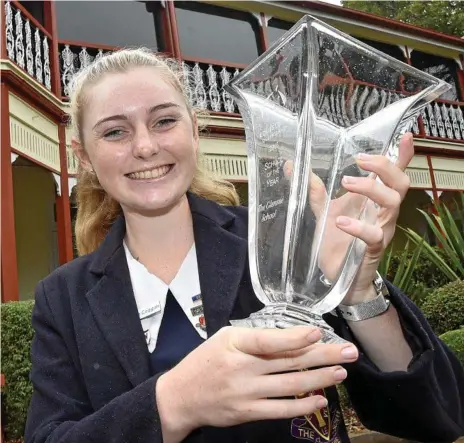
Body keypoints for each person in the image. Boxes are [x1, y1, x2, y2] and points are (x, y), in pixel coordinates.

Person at [25, 48, 464, 443]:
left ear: (195, 131)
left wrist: (354, 288)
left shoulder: (280, 241)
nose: (145, 147)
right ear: (84, 156)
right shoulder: (62, 298)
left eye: (164, 121)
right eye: (115, 132)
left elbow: (435, 415)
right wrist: (175, 402)